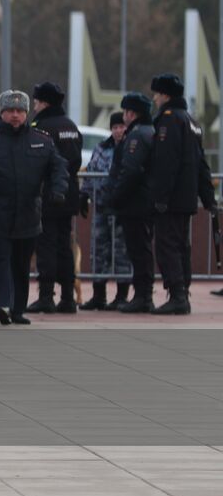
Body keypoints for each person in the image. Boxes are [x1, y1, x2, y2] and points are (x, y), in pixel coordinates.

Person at [0, 90, 68, 324]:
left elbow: (58, 167)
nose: (15, 115)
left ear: (26, 113)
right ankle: (2, 305)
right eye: (10, 111)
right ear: (1, 113)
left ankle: (18, 309)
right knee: (0, 262)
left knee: (21, 265)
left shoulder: (41, 140)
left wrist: (58, 190)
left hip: (28, 215)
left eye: (20, 111)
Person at [145, 73, 217, 315]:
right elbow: (201, 164)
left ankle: (177, 295)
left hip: (171, 199)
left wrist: (161, 198)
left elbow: (167, 163)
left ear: (165, 95)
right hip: (186, 198)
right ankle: (181, 294)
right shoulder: (191, 121)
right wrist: (208, 198)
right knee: (181, 246)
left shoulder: (168, 120)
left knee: (167, 246)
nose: (154, 99)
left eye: (156, 94)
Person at [25, 82, 83, 314]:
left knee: (46, 246)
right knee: (65, 247)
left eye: (37, 102)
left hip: (48, 195)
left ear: (45, 103)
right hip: (69, 194)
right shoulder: (70, 125)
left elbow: (37, 160)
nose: (35, 107)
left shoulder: (42, 126)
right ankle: (68, 298)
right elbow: (76, 161)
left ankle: (46, 296)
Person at [109, 93, 158, 313]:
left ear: (131, 113)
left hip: (136, 203)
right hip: (143, 201)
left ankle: (143, 296)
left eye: (126, 112)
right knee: (142, 249)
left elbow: (130, 171)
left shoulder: (137, 136)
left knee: (139, 250)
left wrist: (116, 196)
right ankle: (143, 295)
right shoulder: (149, 131)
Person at [81, 112, 132, 309]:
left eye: (122, 127)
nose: (119, 130)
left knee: (121, 253)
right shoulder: (101, 148)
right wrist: (84, 195)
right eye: (115, 127)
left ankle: (121, 295)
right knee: (98, 251)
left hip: (122, 209)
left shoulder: (131, 148)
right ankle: (98, 295)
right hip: (102, 207)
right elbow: (91, 173)